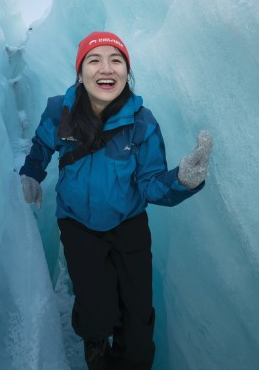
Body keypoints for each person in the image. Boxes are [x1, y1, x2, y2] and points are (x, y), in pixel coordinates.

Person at [19, 31, 212, 370]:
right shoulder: (60, 111)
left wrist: (183, 180)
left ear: (127, 70)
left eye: (116, 60)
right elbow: (41, 146)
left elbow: (152, 185)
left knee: (137, 316)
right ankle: (95, 343)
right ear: (80, 73)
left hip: (129, 223)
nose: (105, 69)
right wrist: (32, 173)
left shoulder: (142, 123)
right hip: (77, 223)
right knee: (96, 310)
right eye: (94, 60)